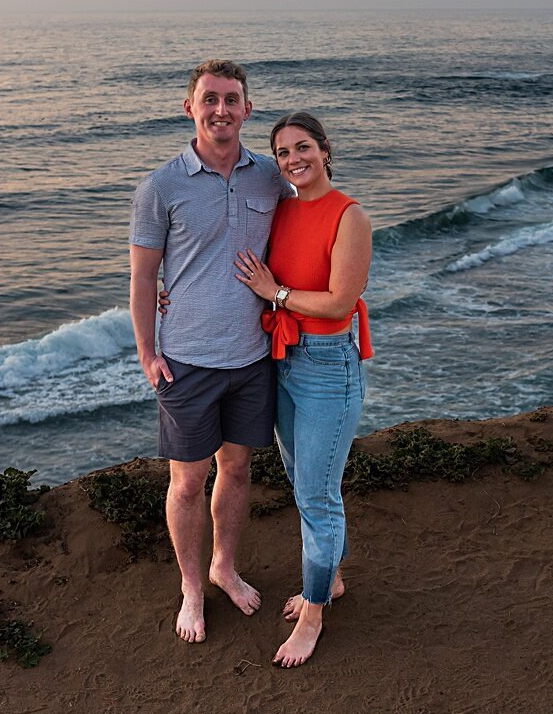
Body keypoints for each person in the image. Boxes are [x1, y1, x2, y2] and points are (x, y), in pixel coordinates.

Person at [128, 58, 292, 644]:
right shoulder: (161, 186)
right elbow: (145, 279)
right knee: (188, 481)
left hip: (251, 357)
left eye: (231, 100)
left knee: (239, 468)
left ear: (247, 109)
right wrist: (148, 354)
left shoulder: (271, 177)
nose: (220, 110)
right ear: (190, 107)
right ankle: (192, 587)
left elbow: (309, 224)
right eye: (209, 99)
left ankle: (224, 565)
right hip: (187, 360)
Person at [233, 110, 372, 668]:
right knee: (302, 483)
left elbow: (339, 302)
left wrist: (278, 293)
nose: (293, 160)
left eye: (303, 147)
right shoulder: (284, 208)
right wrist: (171, 295)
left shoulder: (349, 215)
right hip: (283, 360)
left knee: (317, 498)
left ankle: (313, 615)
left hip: (327, 366)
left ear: (325, 149)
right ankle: (331, 578)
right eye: (284, 152)